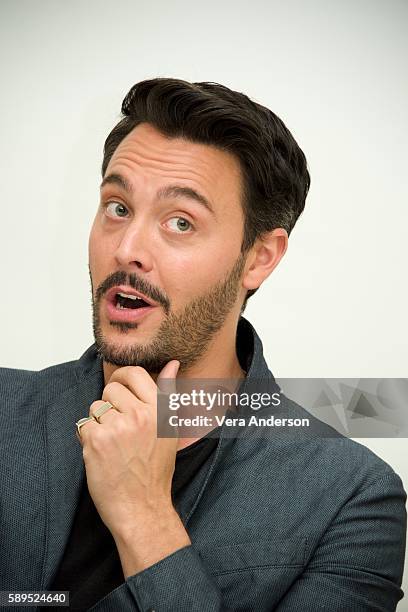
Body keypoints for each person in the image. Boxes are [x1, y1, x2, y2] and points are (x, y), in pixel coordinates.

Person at [0, 77, 405, 612]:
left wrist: (145, 517)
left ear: (259, 258)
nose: (127, 249)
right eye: (117, 207)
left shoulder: (352, 501)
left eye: (180, 222)